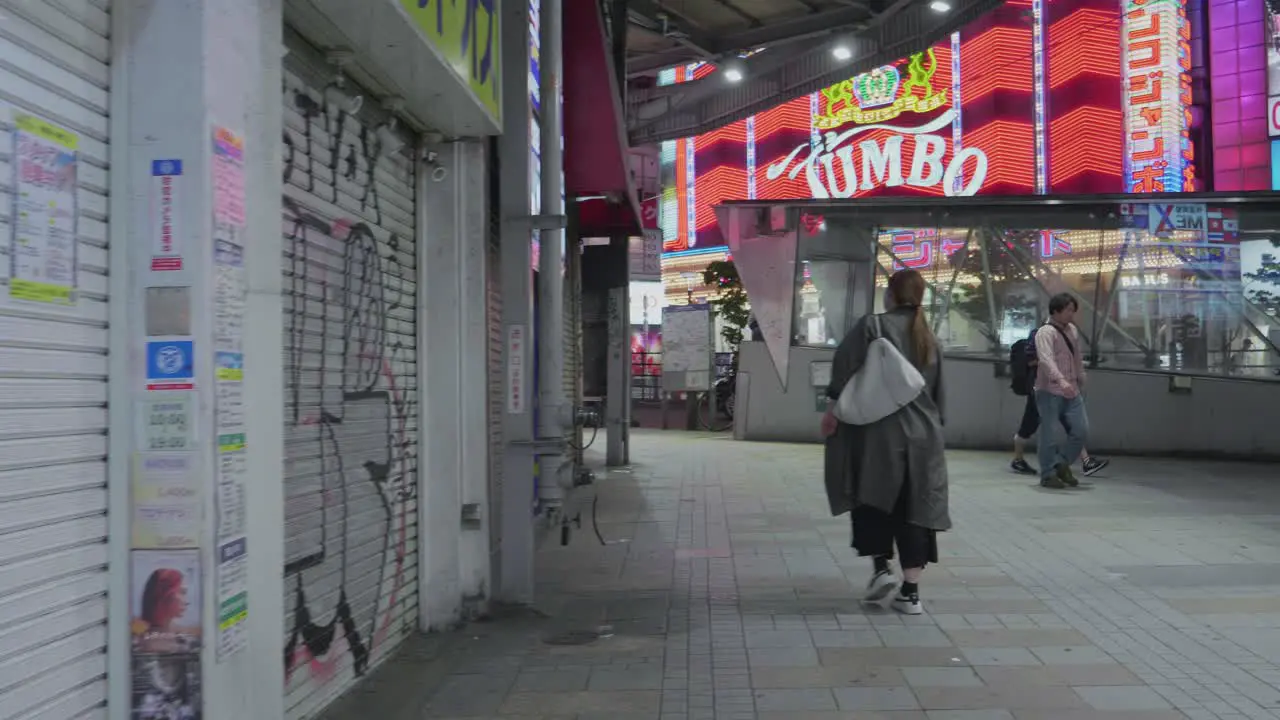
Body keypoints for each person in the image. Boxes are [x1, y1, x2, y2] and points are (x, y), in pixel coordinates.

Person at [821, 269, 949, 615]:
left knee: (873, 500)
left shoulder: (871, 326)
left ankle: (881, 569)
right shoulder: (930, 338)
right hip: (924, 440)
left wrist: (831, 411)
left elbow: (843, 369)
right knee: (915, 510)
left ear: (890, 295)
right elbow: (939, 399)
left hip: (877, 435)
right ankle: (911, 593)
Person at [1010, 328, 1108, 476]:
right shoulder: (1038, 337)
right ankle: (1018, 459)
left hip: (1058, 390)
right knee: (1028, 425)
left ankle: (1086, 461)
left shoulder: (1062, 337)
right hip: (1040, 389)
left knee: (1072, 425)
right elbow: (1032, 361)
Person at [1034, 293, 1091, 489]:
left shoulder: (1072, 330)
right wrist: (1060, 380)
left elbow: (1076, 355)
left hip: (1072, 389)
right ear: (1056, 311)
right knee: (1049, 433)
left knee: (1081, 430)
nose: (1071, 314)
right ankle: (1048, 474)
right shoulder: (1045, 332)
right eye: (1068, 310)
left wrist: (1080, 374)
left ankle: (1061, 462)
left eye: (1073, 310)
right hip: (1049, 390)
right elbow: (1045, 359)